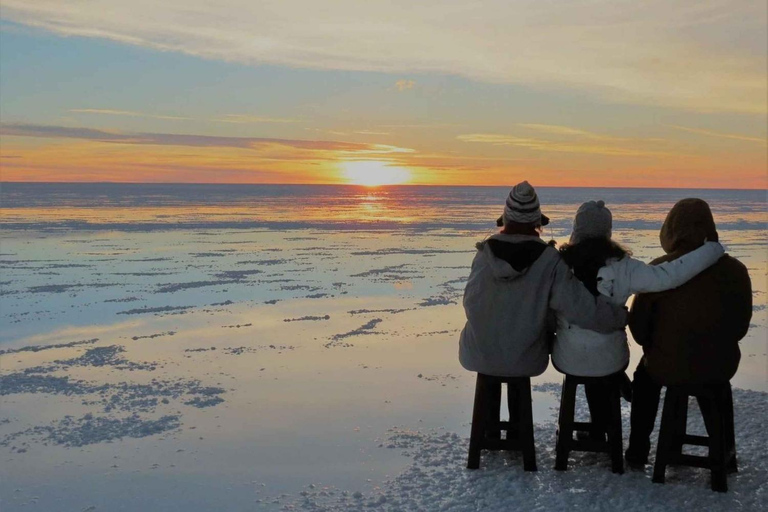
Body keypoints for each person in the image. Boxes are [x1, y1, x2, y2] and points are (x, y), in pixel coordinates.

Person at [551, 200, 725, 436]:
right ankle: (603, 419)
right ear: (607, 232)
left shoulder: (558, 266)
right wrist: (711, 250)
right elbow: (669, 276)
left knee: (584, 348)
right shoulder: (625, 267)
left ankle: (597, 427)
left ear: (576, 229)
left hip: (567, 357)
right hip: (611, 358)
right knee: (602, 359)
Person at [625, 198, 752, 466]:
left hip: (667, 365)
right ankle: (725, 452)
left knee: (645, 378)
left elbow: (639, 329)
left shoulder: (660, 269)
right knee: (716, 386)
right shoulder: (736, 271)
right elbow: (740, 327)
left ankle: (637, 450)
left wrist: (659, 345)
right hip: (718, 365)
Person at [459, 182, 628, 379]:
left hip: (476, 355)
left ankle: (484, 409)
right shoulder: (549, 259)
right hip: (526, 359)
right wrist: (619, 318)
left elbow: (471, 303)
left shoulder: (484, 255)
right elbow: (578, 307)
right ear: (537, 223)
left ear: (504, 220)